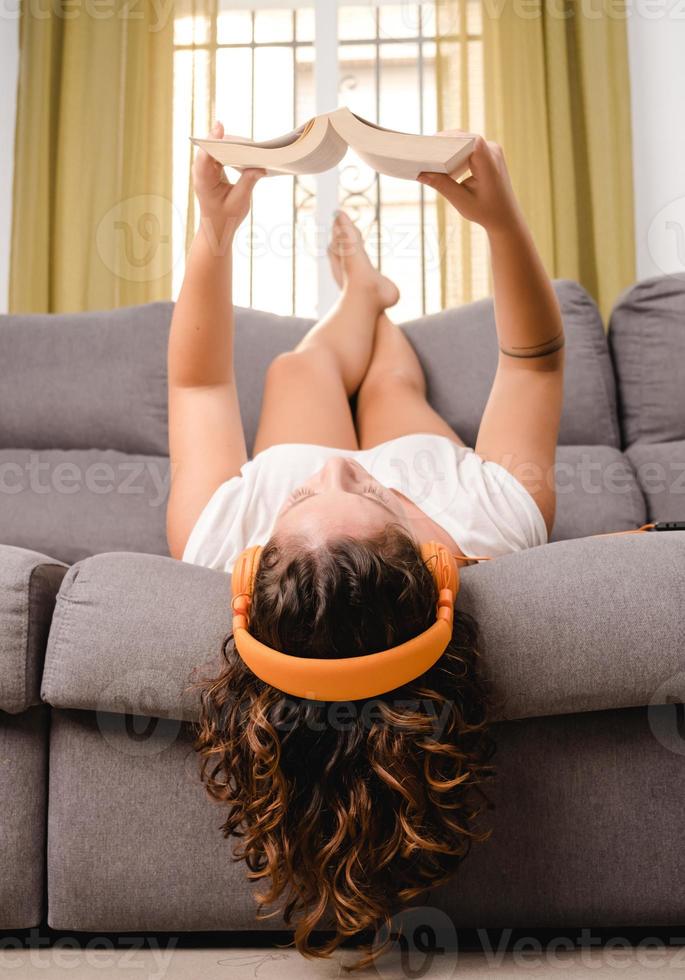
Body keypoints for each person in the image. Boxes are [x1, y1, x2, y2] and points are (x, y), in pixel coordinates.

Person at [166, 121, 565, 966]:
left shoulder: (218, 535)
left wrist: (213, 231)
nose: (344, 470)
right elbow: (533, 362)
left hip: (326, 472)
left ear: (249, 573)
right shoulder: (490, 518)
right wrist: (501, 224)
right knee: (390, 379)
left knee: (292, 372)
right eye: (370, 495)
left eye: (315, 494)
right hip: (425, 463)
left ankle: (361, 295)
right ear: (435, 560)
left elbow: (198, 382)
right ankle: (373, 303)